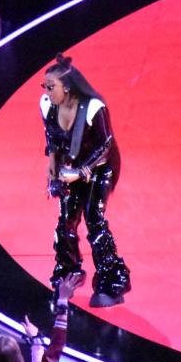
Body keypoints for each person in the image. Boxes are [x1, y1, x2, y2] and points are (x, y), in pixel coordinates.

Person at [41, 54, 130, 307]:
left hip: (100, 168)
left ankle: (111, 282)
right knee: (65, 222)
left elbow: (105, 144)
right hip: (70, 169)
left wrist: (82, 171)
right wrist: (52, 170)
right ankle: (68, 274)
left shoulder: (93, 107)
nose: (46, 91)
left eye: (51, 86)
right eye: (45, 86)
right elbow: (52, 140)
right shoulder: (48, 105)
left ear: (67, 87)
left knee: (94, 219)